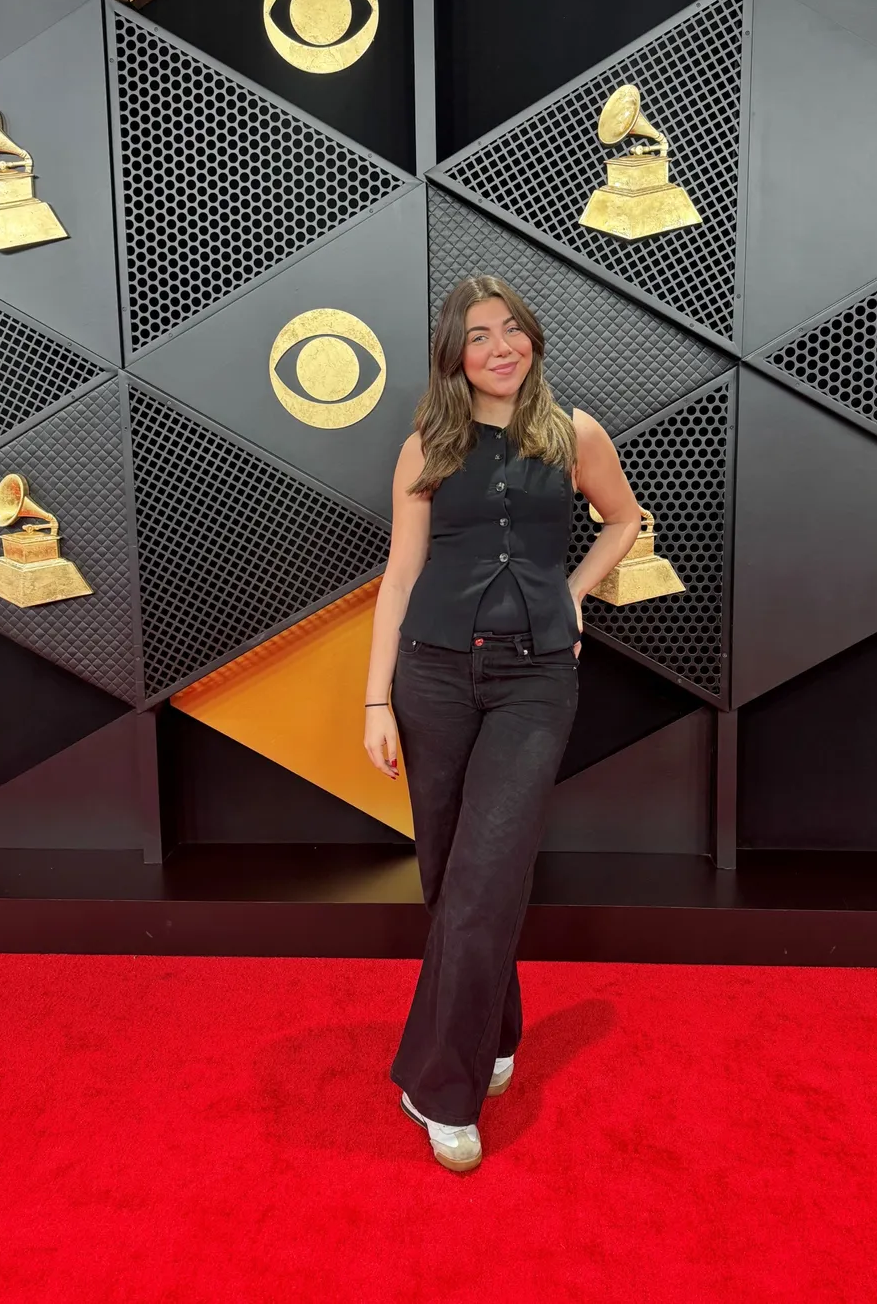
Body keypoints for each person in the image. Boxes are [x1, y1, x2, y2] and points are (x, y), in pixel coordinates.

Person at [363, 275, 641, 1172]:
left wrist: (570, 592)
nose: (498, 347)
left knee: (487, 875)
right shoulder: (426, 448)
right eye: (478, 335)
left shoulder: (575, 435)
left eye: (511, 329)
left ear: (534, 341)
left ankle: (437, 1086)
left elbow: (625, 520)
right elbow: (399, 579)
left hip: (533, 684)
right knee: (452, 876)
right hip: (432, 677)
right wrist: (375, 700)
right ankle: (498, 1029)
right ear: (455, 356)